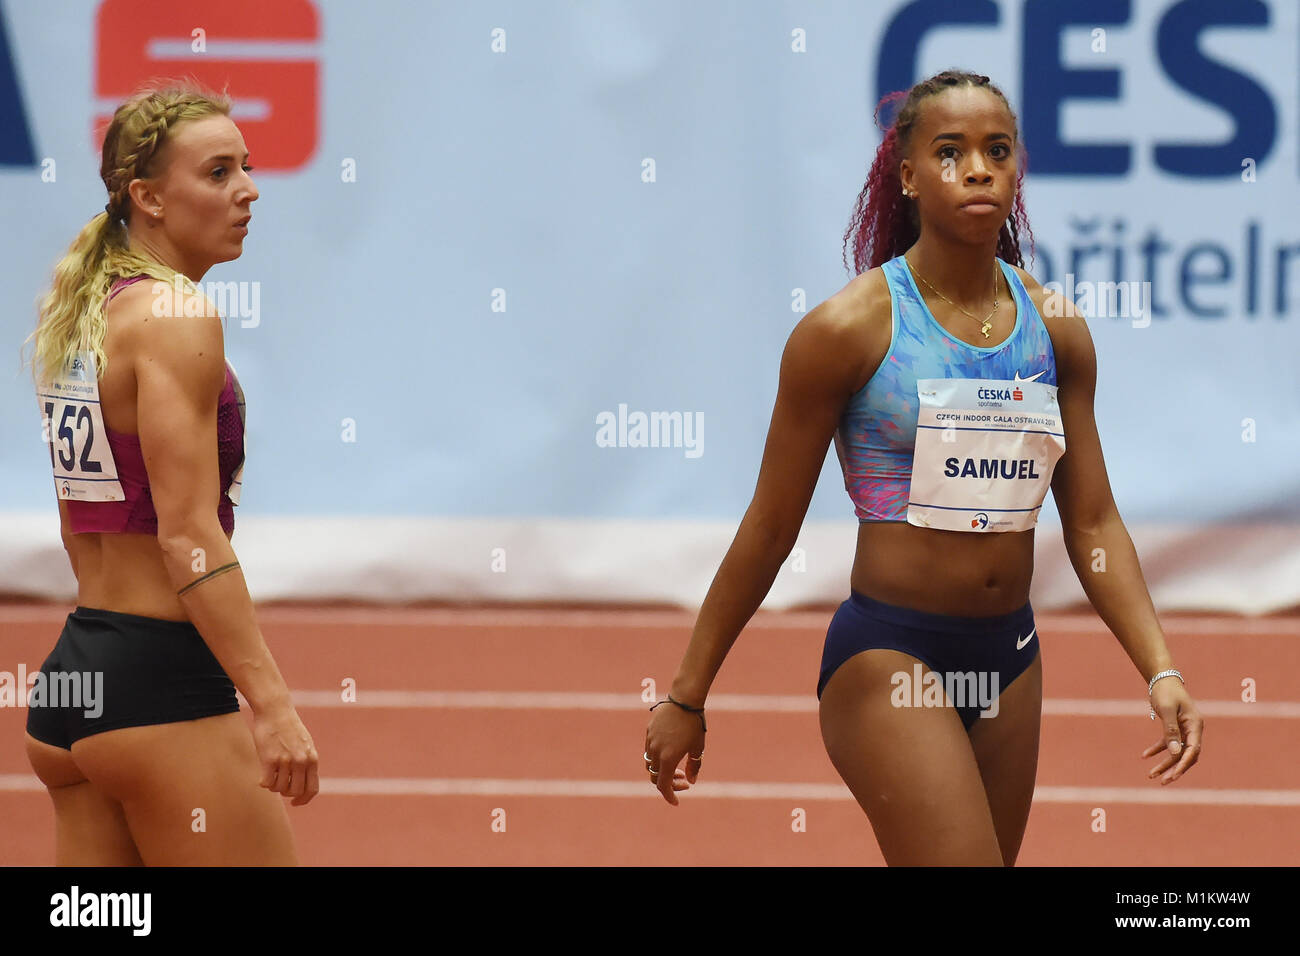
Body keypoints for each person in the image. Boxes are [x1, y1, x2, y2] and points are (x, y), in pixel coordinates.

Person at [643, 69, 1204, 865]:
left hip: (1010, 660)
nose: (977, 168)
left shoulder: (1057, 329)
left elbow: (1091, 521)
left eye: (996, 151)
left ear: (1017, 170)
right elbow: (771, 525)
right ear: (908, 176)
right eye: (951, 151)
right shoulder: (848, 331)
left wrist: (1160, 669)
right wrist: (687, 694)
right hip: (890, 654)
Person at [21, 83, 318, 865]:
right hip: (160, 691)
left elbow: (79, 518)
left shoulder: (84, 309)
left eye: (246, 168)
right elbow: (189, 535)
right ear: (148, 198)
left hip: (71, 688)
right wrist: (273, 702)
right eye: (218, 172)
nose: (249, 190)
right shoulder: (176, 316)